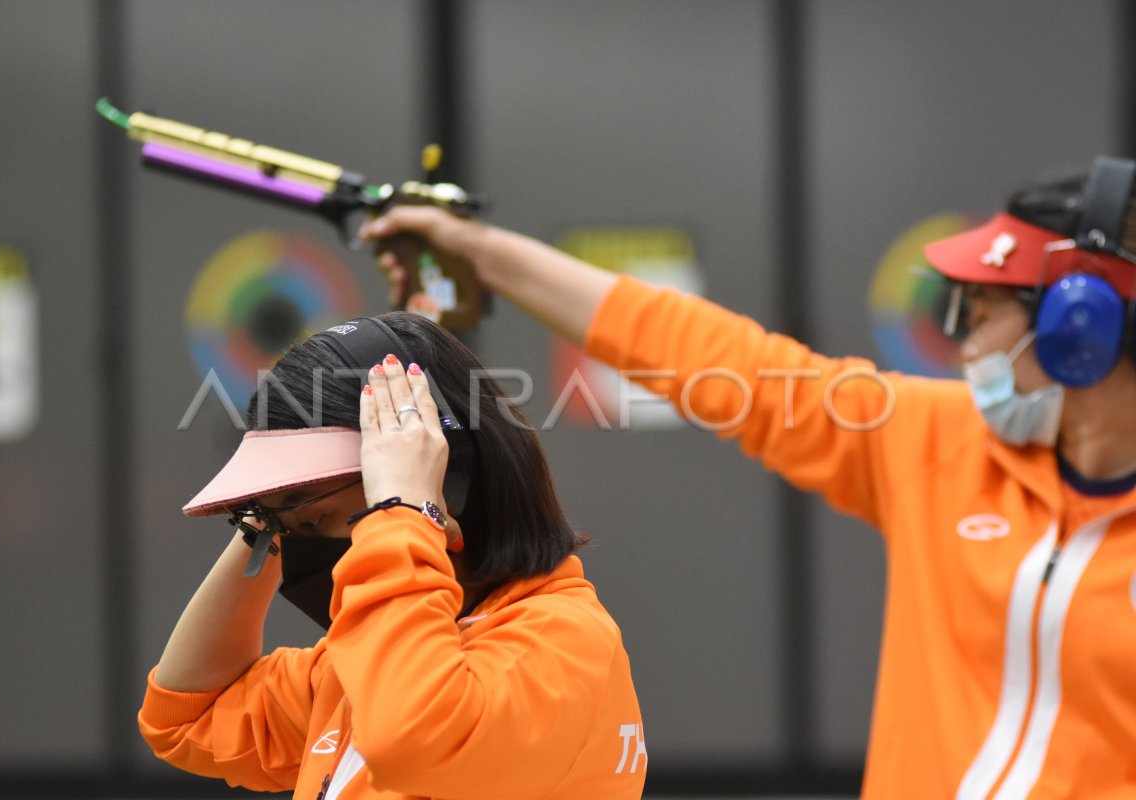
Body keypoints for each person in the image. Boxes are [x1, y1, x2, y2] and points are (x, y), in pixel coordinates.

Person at [360, 157, 1136, 798]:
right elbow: (721, 362)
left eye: (985, 313)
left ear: (1081, 330)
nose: (965, 345)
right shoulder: (943, 439)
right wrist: (480, 251)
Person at [137, 312, 648, 799]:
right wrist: (266, 515)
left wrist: (403, 508)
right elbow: (188, 714)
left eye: (310, 522)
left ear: (448, 480)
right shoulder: (360, 664)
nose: (295, 547)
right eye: (282, 528)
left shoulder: (563, 645)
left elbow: (413, 734)